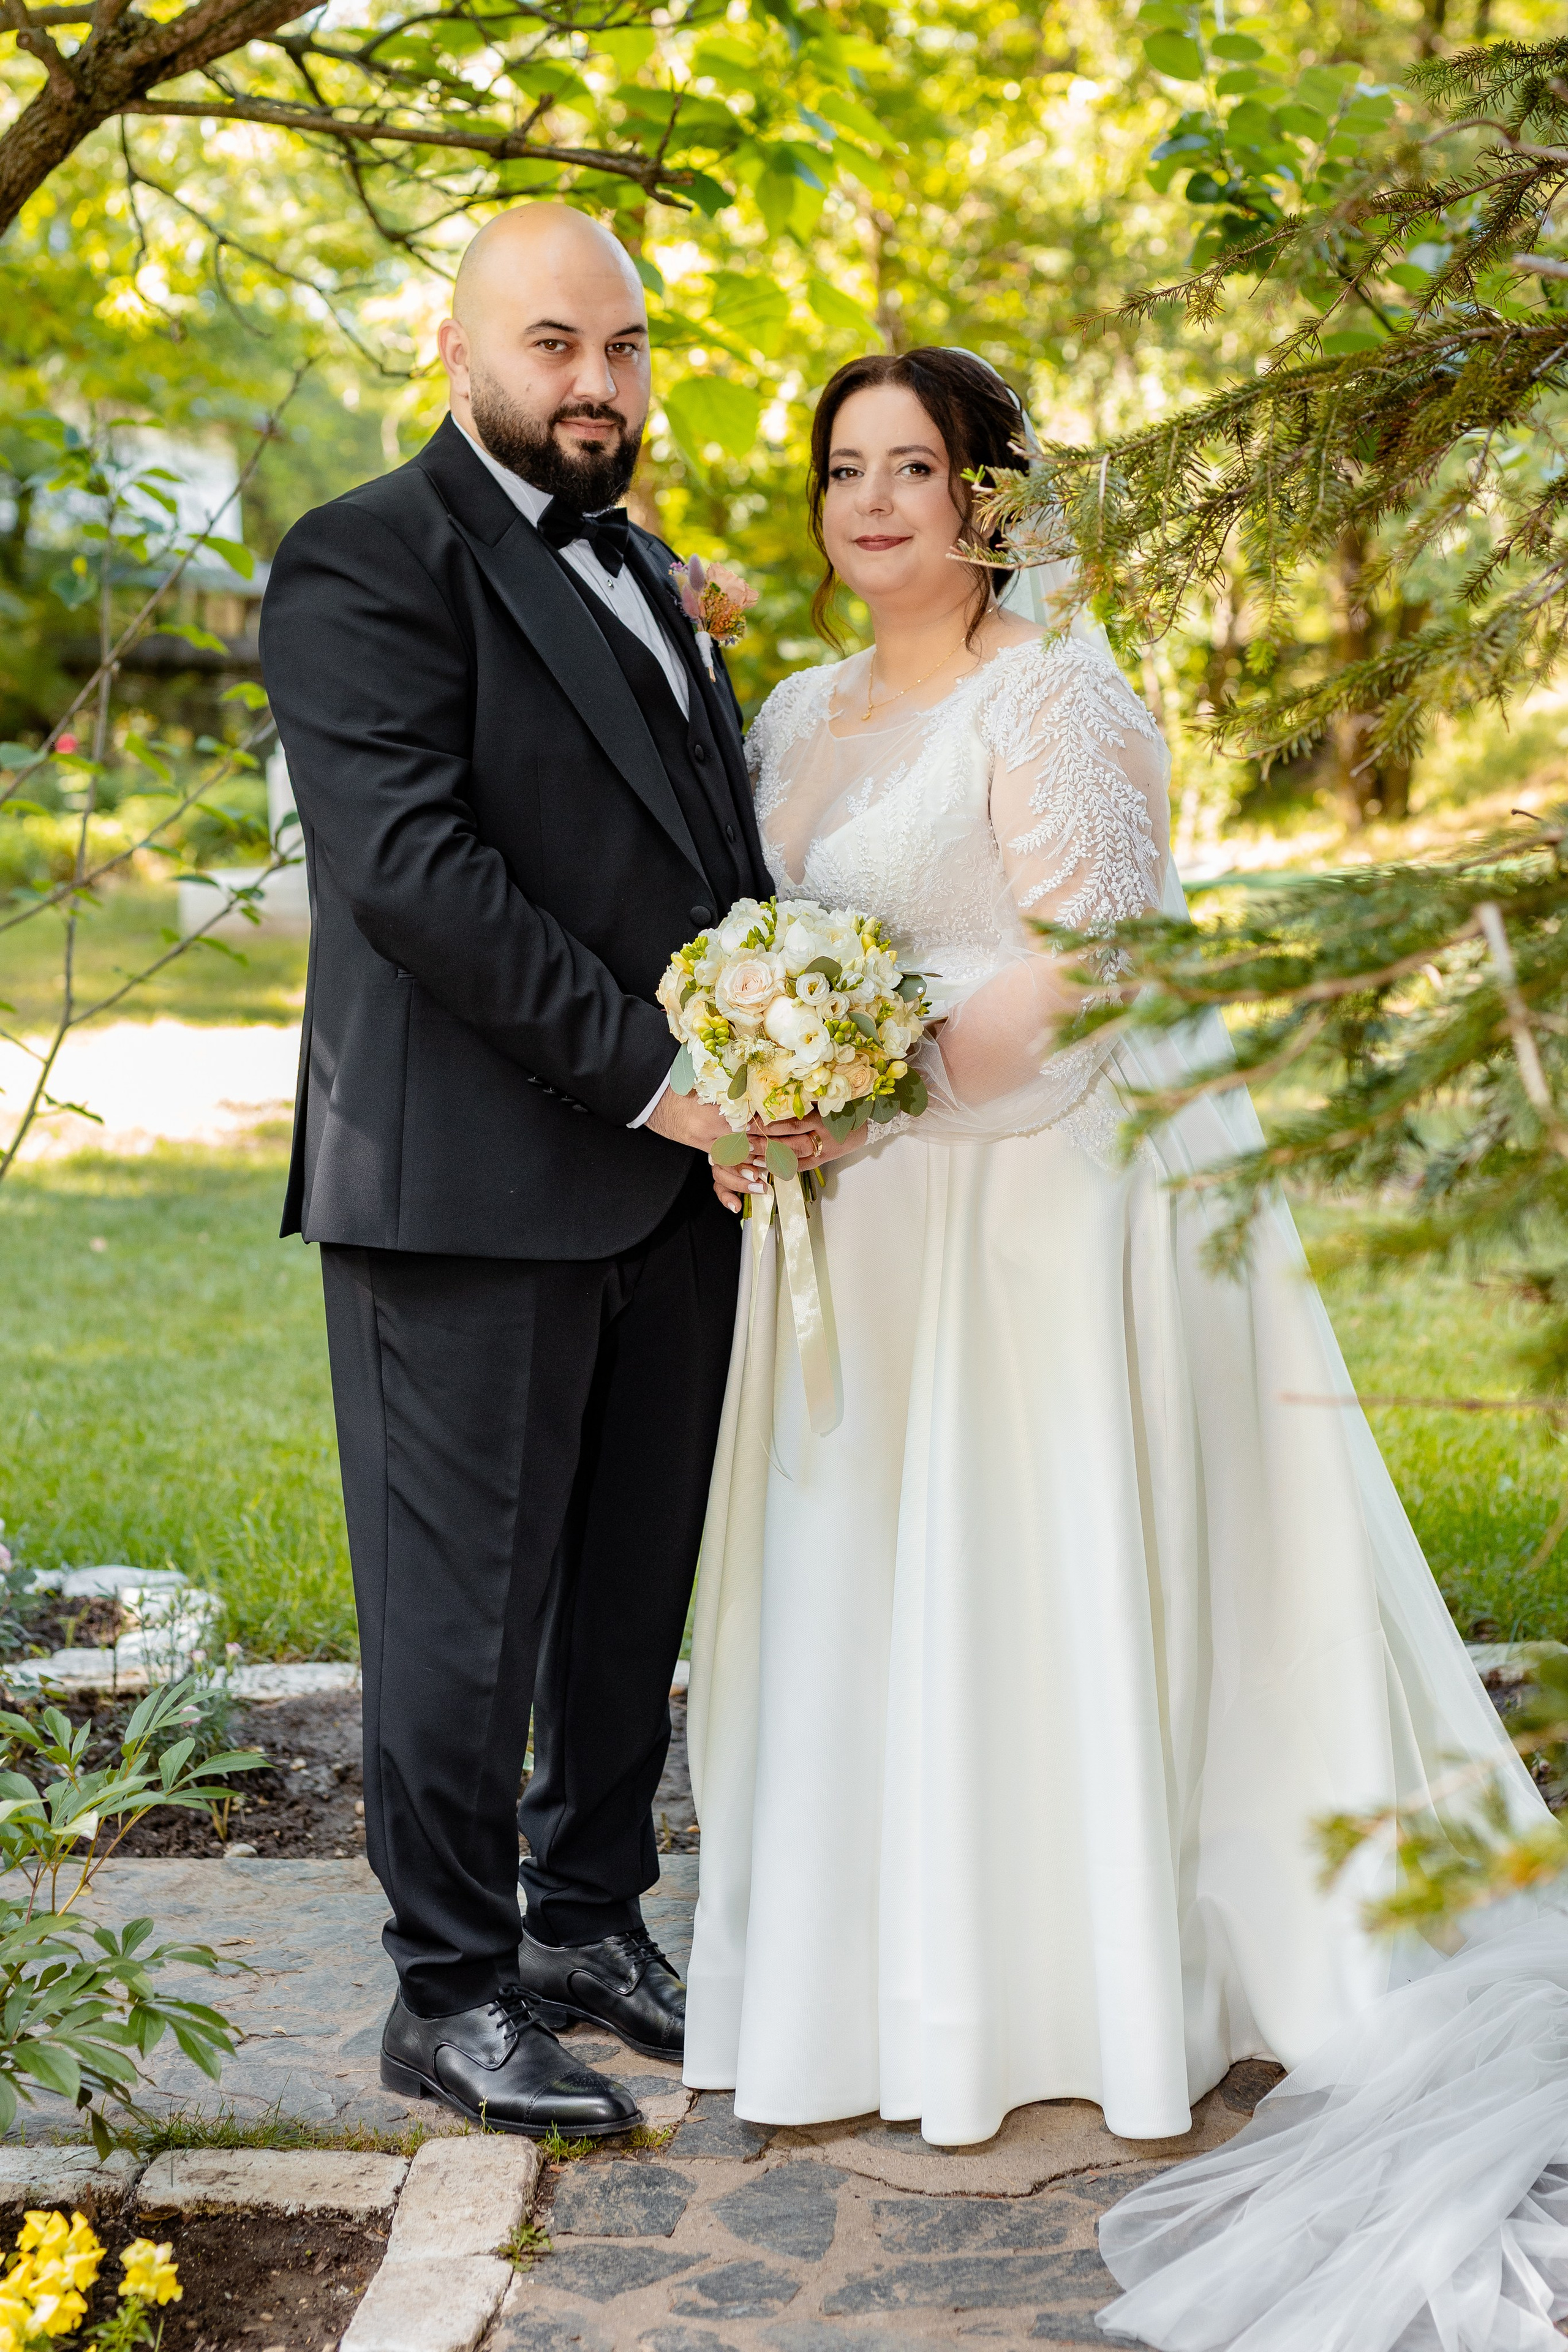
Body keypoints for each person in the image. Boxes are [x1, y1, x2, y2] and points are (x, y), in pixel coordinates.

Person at [681, 349, 1559, 2334]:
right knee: (875, 1578)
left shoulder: (1060, 694)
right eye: (846, 470)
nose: (876, 501)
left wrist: (867, 1070)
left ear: (990, 496)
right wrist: (764, 1095)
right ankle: (887, 1971)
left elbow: (1097, 966)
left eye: (918, 466)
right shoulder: (801, 714)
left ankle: (1087, 1970)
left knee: (1038, 1570)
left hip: (1044, 1211)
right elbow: (759, 937)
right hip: (865, 1220)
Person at [260, 204, 771, 2136]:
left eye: (624, 347)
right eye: (554, 344)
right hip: (471, 1189)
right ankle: (449, 1991)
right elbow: (418, 882)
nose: (595, 383)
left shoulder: (643, 562)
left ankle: (585, 1920)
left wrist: (768, 1046)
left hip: (670, 1188)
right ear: (459, 350)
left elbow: (692, 854)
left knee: (623, 1598)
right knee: (461, 1617)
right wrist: (671, 1078)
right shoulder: (363, 559)